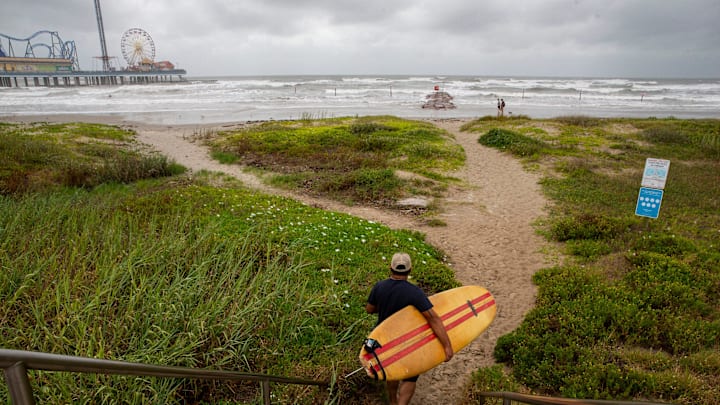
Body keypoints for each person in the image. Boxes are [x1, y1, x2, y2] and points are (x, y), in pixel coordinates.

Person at [365, 252, 454, 405]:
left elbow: (369, 309)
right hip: (409, 340)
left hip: (384, 340)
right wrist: (447, 346)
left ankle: (393, 402)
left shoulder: (379, 286)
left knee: (392, 371)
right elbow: (433, 318)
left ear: (390, 268)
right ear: (410, 269)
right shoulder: (415, 292)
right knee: (410, 376)